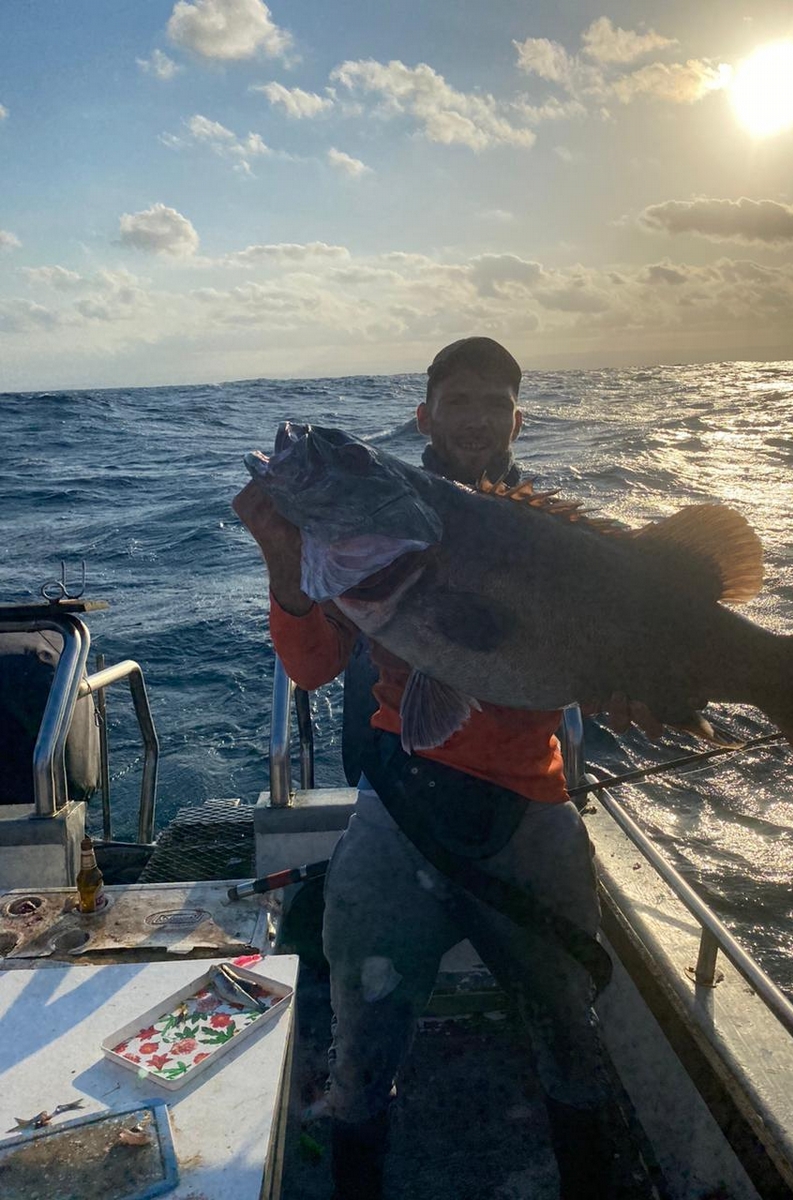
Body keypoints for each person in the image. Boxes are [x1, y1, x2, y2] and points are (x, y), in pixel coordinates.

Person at [233, 338, 639, 1200]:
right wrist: (281, 555)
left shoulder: (552, 533)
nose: (477, 420)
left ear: (519, 421)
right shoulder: (373, 520)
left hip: (530, 805)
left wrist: (631, 684)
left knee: (572, 1036)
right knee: (359, 1044)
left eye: (495, 403)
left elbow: (599, 656)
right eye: (459, 402)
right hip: (400, 810)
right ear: (425, 416)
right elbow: (311, 667)